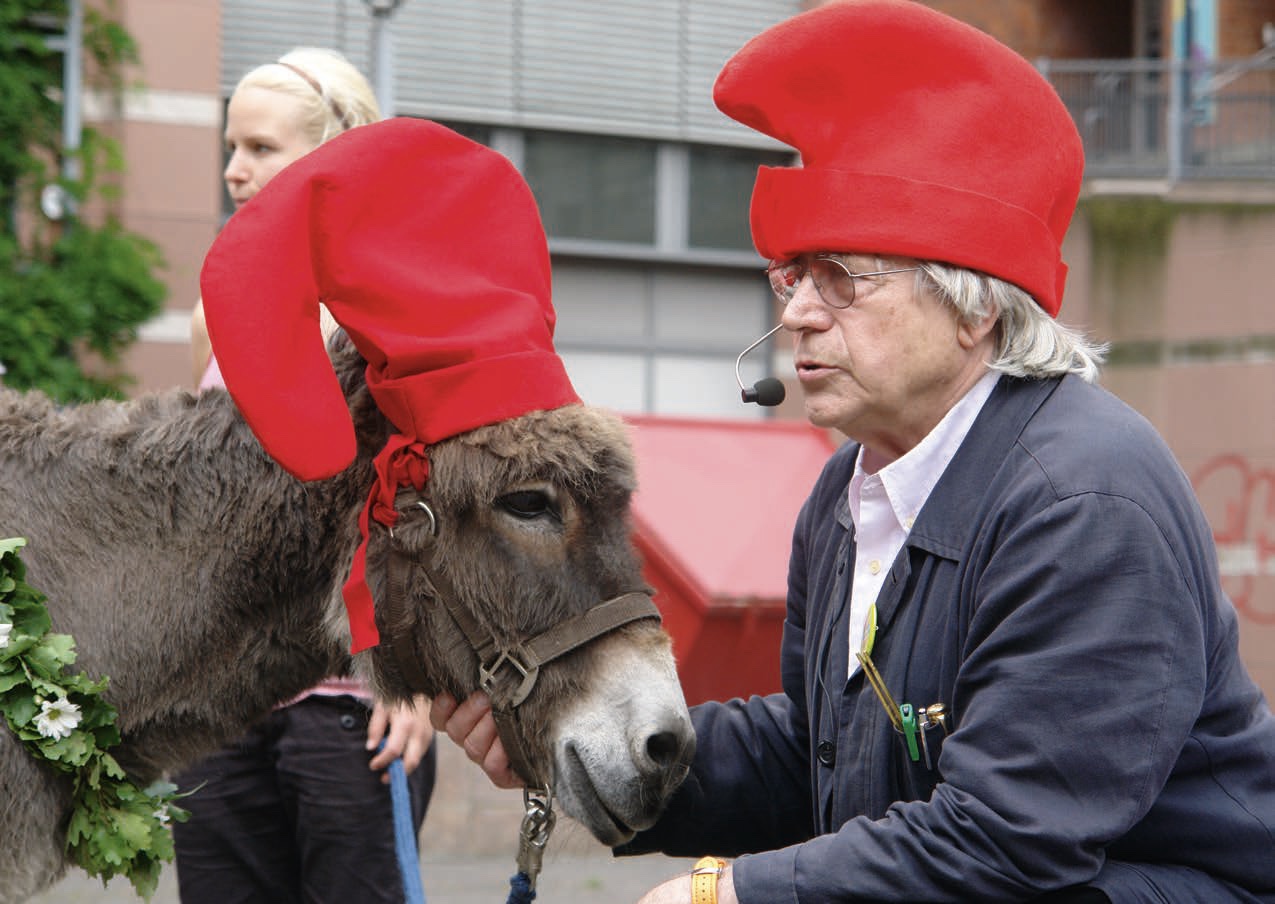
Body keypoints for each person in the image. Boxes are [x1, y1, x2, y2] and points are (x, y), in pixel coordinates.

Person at [431, 2, 1275, 902]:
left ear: (974, 308)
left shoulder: (1082, 502)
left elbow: (1003, 844)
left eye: (845, 276)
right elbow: (818, 751)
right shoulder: (850, 485)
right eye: (793, 276)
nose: (795, 312)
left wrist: (726, 893)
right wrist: (598, 741)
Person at [177, 47, 436, 904]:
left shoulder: (394, 306)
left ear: (332, 154)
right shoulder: (221, 310)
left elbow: (429, 498)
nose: (233, 171)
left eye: (259, 147)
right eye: (230, 147)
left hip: (349, 710)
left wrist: (416, 673)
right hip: (226, 706)